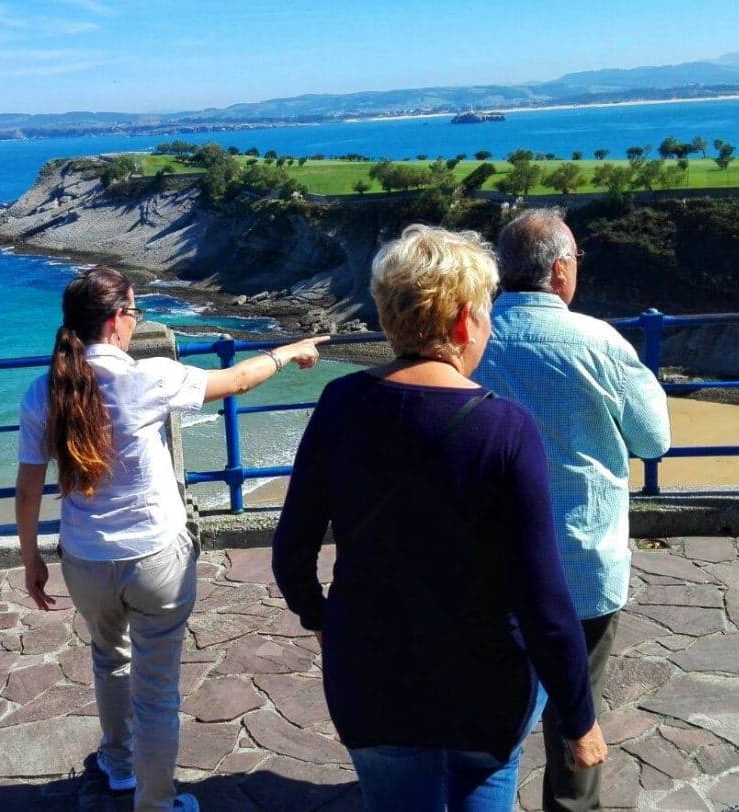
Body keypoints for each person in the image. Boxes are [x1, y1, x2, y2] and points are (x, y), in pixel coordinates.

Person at [272, 225, 607, 812]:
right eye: (484, 314)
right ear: (461, 324)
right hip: (484, 689)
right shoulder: (504, 428)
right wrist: (579, 719)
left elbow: (292, 549)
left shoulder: (340, 405)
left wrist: (318, 615)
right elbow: (542, 595)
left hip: (372, 679)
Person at [15, 265, 326, 812]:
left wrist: (30, 560)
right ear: (115, 321)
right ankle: (156, 804)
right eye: (134, 313)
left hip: (84, 560)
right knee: (156, 693)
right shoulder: (150, 376)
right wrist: (289, 350)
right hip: (157, 557)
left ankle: (117, 766)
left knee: (109, 658)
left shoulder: (43, 393)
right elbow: (238, 380)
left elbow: (28, 490)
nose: (136, 323)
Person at [474, 208, 671, 812]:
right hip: (583, 563)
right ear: (561, 270)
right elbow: (654, 441)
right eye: (577, 260)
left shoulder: (469, 339)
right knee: (576, 714)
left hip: (491, 565)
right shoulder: (602, 343)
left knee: (493, 709)